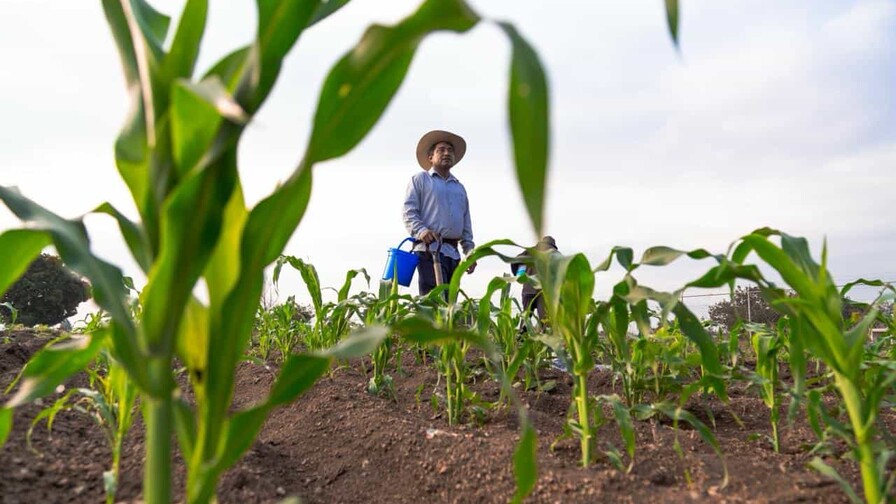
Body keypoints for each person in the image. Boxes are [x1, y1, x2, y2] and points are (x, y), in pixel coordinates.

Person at [402, 130, 477, 296]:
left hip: (453, 254)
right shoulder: (420, 180)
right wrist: (421, 231)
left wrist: (470, 251)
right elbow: (409, 212)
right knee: (434, 301)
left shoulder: (459, 188)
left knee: (450, 304)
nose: (447, 153)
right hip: (430, 250)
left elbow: (466, 225)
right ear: (431, 157)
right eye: (441, 150)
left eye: (450, 150)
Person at [510, 236, 558, 331]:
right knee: (545, 321)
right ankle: (546, 343)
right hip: (542, 291)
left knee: (526, 319)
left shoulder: (529, 251)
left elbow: (514, 261)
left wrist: (518, 275)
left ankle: (520, 340)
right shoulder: (554, 253)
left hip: (527, 289)